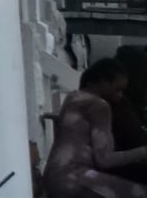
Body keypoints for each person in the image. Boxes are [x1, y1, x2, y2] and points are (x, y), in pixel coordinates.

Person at [45, 60, 147, 197]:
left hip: (52, 178)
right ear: (103, 82)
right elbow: (104, 160)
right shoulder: (99, 105)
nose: (120, 95)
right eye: (117, 89)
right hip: (74, 178)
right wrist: (143, 151)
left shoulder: (73, 97)